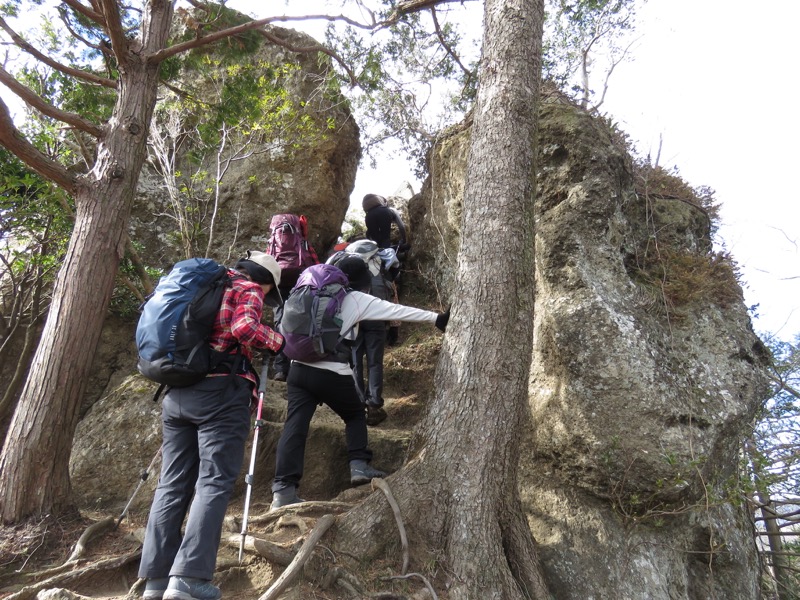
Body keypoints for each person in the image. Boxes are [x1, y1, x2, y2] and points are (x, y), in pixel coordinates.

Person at [138, 251, 285, 600]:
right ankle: (188, 578)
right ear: (265, 282)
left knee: (171, 484)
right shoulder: (247, 288)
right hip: (220, 394)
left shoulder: (201, 284)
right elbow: (245, 328)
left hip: (177, 393)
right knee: (214, 481)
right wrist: (278, 341)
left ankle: (156, 580)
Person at [270, 256, 449, 510]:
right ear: (360, 280)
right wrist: (437, 319)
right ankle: (359, 465)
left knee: (295, 425)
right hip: (332, 372)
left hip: (297, 370)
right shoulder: (354, 298)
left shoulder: (308, 290)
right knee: (355, 413)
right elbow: (396, 311)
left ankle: (283, 491)